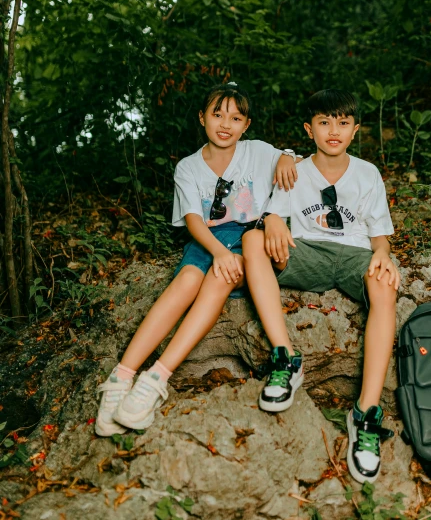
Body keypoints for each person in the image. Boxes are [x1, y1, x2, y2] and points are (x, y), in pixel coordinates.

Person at [95, 81, 300, 436]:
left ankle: (155, 378)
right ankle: (121, 377)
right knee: (187, 279)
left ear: (246, 125)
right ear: (201, 118)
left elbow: (292, 160)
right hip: (207, 238)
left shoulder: (257, 151)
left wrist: (286, 154)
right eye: (217, 114)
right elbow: (192, 219)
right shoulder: (189, 167)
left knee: (218, 279)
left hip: (249, 235)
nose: (225, 123)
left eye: (236, 117)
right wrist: (218, 251)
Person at [242, 88, 399, 484]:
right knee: (250, 240)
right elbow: (272, 217)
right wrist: (271, 220)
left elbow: (380, 237)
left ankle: (365, 414)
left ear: (355, 130)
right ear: (309, 129)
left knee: (384, 283)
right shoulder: (294, 170)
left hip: (353, 256)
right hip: (308, 251)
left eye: (343, 123)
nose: (334, 130)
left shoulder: (368, 174)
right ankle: (286, 358)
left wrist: (383, 254)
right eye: (325, 122)